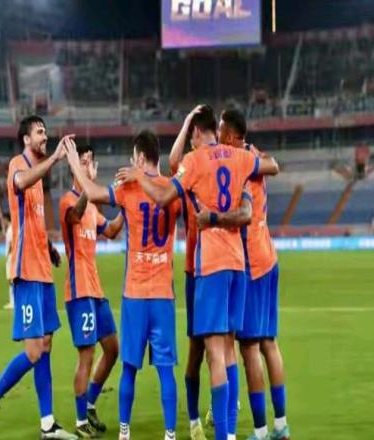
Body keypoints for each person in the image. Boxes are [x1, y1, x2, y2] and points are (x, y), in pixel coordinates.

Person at [116, 105, 279, 440]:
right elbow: (267, 172)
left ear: (195, 133)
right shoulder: (239, 157)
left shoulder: (194, 162)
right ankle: (225, 431)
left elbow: (165, 191)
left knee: (211, 352)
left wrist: (138, 175)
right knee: (227, 349)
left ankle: (216, 431)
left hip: (207, 266)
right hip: (238, 265)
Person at [64, 130, 181, 440]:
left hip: (135, 293)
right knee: (166, 369)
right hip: (163, 294)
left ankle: (125, 433)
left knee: (129, 367)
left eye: (133, 157)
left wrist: (74, 161)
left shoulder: (129, 187)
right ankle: (170, 434)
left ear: (140, 158)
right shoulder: (173, 189)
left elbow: (91, 191)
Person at [0, 115, 76, 440]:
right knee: (34, 351)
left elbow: (33, 222)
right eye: (40, 132)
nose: (45, 136)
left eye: (46, 132)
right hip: (26, 269)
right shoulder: (18, 165)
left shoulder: (37, 177)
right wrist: (56, 158)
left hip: (43, 269)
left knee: (46, 345)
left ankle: (47, 424)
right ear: (26, 139)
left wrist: (49, 247)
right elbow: (19, 183)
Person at [168, 106, 251, 440]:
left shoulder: (202, 161)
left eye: (192, 133)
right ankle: (195, 421)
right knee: (200, 350)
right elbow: (173, 161)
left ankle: (223, 420)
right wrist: (187, 122)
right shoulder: (197, 163)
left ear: (199, 134)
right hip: (199, 267)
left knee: (218, 350)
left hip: (208, 266)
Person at [219, 109, 290, 440]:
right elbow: (272, 164)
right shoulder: (253, 154)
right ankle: (281, 425)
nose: (219, 137)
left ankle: (261, 431)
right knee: (269, 343)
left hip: (252, 264)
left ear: (232, 136)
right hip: (269, 257)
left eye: (222, 132)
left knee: (249, 348)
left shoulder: (240, 162)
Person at [59, 145, 123, 438]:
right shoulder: (67, 201)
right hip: (78, 291)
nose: (88, 165)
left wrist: (127, 205)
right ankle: (80, 420)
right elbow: (75, 214)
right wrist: (89, 186)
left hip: (96, 290)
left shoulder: (94, 209)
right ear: (74, 166)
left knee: (112, 349)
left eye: (90, 161)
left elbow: (112, 231)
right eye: (82, 162)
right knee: (86, 355)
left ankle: (90, 404)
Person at [3, 213, 14, 310]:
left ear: (6, 219)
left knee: (11, 279)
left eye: (3, 220)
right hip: (12, 256)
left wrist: (8, 254)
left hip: (11, 256)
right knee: (11, 279)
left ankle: (12, 302)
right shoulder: (11, 229)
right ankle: (13, 301)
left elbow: (11, 243)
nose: (3, 222)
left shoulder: (10, 230)